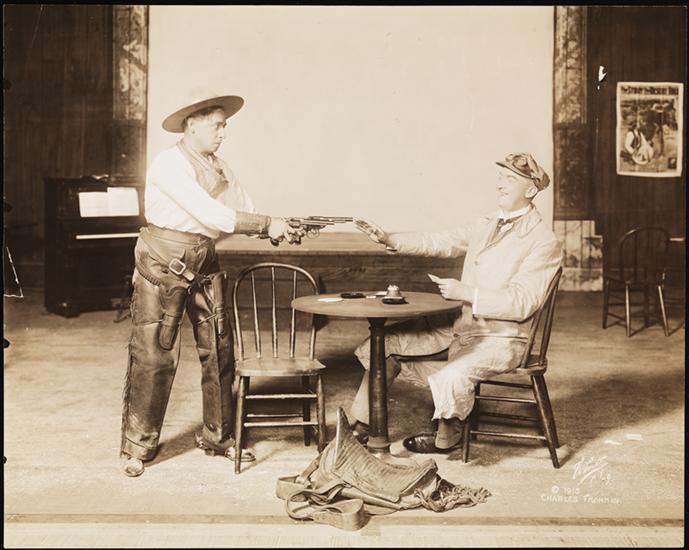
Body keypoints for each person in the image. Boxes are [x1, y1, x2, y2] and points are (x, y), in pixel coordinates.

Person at [120, 87, 303, 477]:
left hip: (204, 260)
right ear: (192, 125)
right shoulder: (168, 164)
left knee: (220, 348)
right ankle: (137, 447)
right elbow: (213, 215)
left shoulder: (220, 167)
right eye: (217, 126)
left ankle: (218, 437)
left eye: (224, 126)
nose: (224, 133)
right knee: (154, 353)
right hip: (163, 264)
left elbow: (243, 208)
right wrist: (266, 224)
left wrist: (280, 228)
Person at [352, 153, 563, 453]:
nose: (500, 185)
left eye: (510, 179)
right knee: (383, 343)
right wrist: (389, 238)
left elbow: (523, 302)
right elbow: (439, 241)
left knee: (453, 375)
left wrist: (468, 293)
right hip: (463, 327)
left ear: (530, 190)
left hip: (503, 338)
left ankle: (448, 436)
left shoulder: (543, 240)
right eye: (500, 177)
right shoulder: (485, 223)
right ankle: (364, 425)